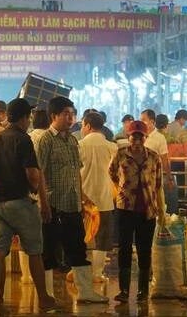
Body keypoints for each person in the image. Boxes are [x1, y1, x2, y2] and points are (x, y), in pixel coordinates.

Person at [0, 98, 58, 314]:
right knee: (34, 251)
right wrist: (37, 192)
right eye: (28, 117)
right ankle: (44, 299)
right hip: (20, 202)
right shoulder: (23, 139)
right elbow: (33, 173)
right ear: (25, 118)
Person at [37, 96, 106, 304]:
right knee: (49, 252)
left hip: (72, 204)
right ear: (53, 116)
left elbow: (76, 170)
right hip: (53, 205)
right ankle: (47, 295)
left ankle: (85, 292)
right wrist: (44, 204)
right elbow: (38, 173)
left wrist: (82, 197)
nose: (70, 118)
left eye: (72, 114)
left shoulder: (73, 140)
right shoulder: (46, 140)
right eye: (66, 114)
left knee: (77, 248)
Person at [109, 120, 166, 302]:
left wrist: (162, 212)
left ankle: (143, 291)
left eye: (141, 136)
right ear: (129, 136)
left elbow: (158, 185)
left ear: (145, 137)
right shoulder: (120, 154)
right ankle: (124, 290)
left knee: (144, 249)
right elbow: (112, 174)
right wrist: (123, 191)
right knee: (124, 248)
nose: (137, 139)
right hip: (125, 209)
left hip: (147, 210)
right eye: (134, 135)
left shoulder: (154, 157)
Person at [78, 111, 117, 286]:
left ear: (87, 125)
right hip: (104, 198)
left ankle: (78, 272)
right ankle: (97, 273)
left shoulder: (78, 145)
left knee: (79, 236)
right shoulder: (111, 147)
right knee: (103, 237)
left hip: (83, 198)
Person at [141, 109, 173, 214]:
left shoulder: (159, 138)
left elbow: (164, 158)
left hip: (153, 177)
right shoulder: (138, 136)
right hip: (138, 178)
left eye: (144, 120)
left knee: (153, 203)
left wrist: (169, 177)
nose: (141, 123)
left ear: (152, 122)